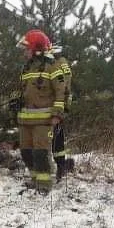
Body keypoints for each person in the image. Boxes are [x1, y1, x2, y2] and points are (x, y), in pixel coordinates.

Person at [15, 29, 68, 192]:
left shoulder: (52, 67)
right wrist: (15, 100)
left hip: (44, 121)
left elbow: (61, 92)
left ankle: (44, 184)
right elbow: (21, 90)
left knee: (41, 153)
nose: (24, 52)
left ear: (37, 49)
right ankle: (34, 178)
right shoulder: (26, 69)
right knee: (26, 152)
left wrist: (57, 115)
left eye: (27, 49)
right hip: (25, 120)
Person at [48, 45, 74, 180]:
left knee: (56, 138)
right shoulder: (62, 64)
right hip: (59, 106)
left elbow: (64, 87)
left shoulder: (60, 64)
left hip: (57, 106)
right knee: (57, 138)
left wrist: (60, 110)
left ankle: (61, 166)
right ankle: (61, 165)